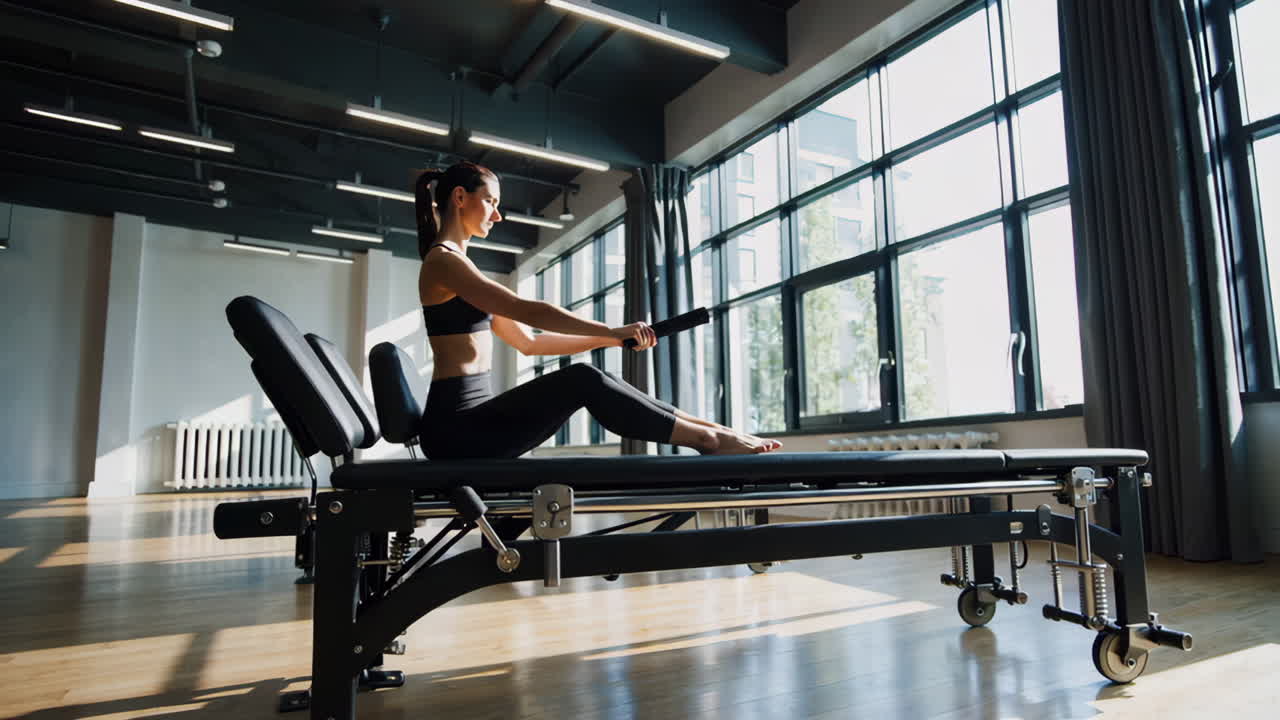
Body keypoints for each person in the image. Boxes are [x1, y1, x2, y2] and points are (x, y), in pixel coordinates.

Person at [414, 161, 783, 459]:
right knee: (582, 380)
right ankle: (708, 440)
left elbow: (529, 343)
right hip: (456, 430)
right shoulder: (443, 261)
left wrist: (610, 340)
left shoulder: (462, 266)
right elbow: (524, 309)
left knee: (592, 376)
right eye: (492, 202)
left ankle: (714, 432)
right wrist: (611, 331)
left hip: (474, 421)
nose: (497, 216)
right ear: (460, 197)